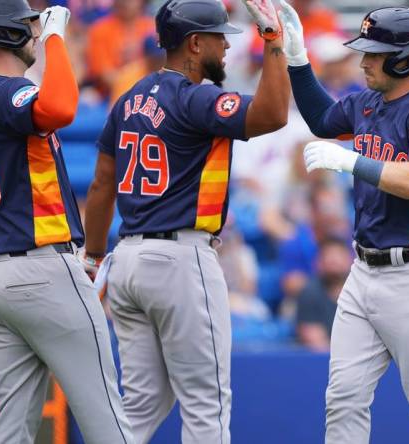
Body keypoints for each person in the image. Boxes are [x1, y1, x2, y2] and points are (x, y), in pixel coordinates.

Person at [81, 0, 289, 441]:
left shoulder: (129, 98)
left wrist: (95, 256)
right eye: (219, 38)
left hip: (128, 261)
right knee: (206, 404)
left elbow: (102, 186)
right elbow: (273, 114)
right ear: (195, 44)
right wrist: (273, 41)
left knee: (140, 406)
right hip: (181, 259)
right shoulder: (196, 97)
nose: (227, 48)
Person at [280, 3, 409, 442]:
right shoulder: (368, 103)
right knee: (343, 398)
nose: (364, 61)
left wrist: (353, 162)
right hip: (363, 273)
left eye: (376, 53)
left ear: (405, 57)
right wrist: (296, 60)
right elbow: (323, 118)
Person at [0, 1, 134, 442]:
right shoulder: (3, 92)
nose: (35, 32)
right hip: (42, 271)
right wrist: (57, 40)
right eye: (29, 25)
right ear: (5, 31)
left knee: (9, 431)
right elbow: (59, 107)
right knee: (108, 420)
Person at [295, 237, 352, 351]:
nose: (333, 261)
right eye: (328, 256)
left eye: (338, 255)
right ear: (318, 262)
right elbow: (314, 340)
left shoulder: (362, 292)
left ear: (350, 259)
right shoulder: (309, 293)